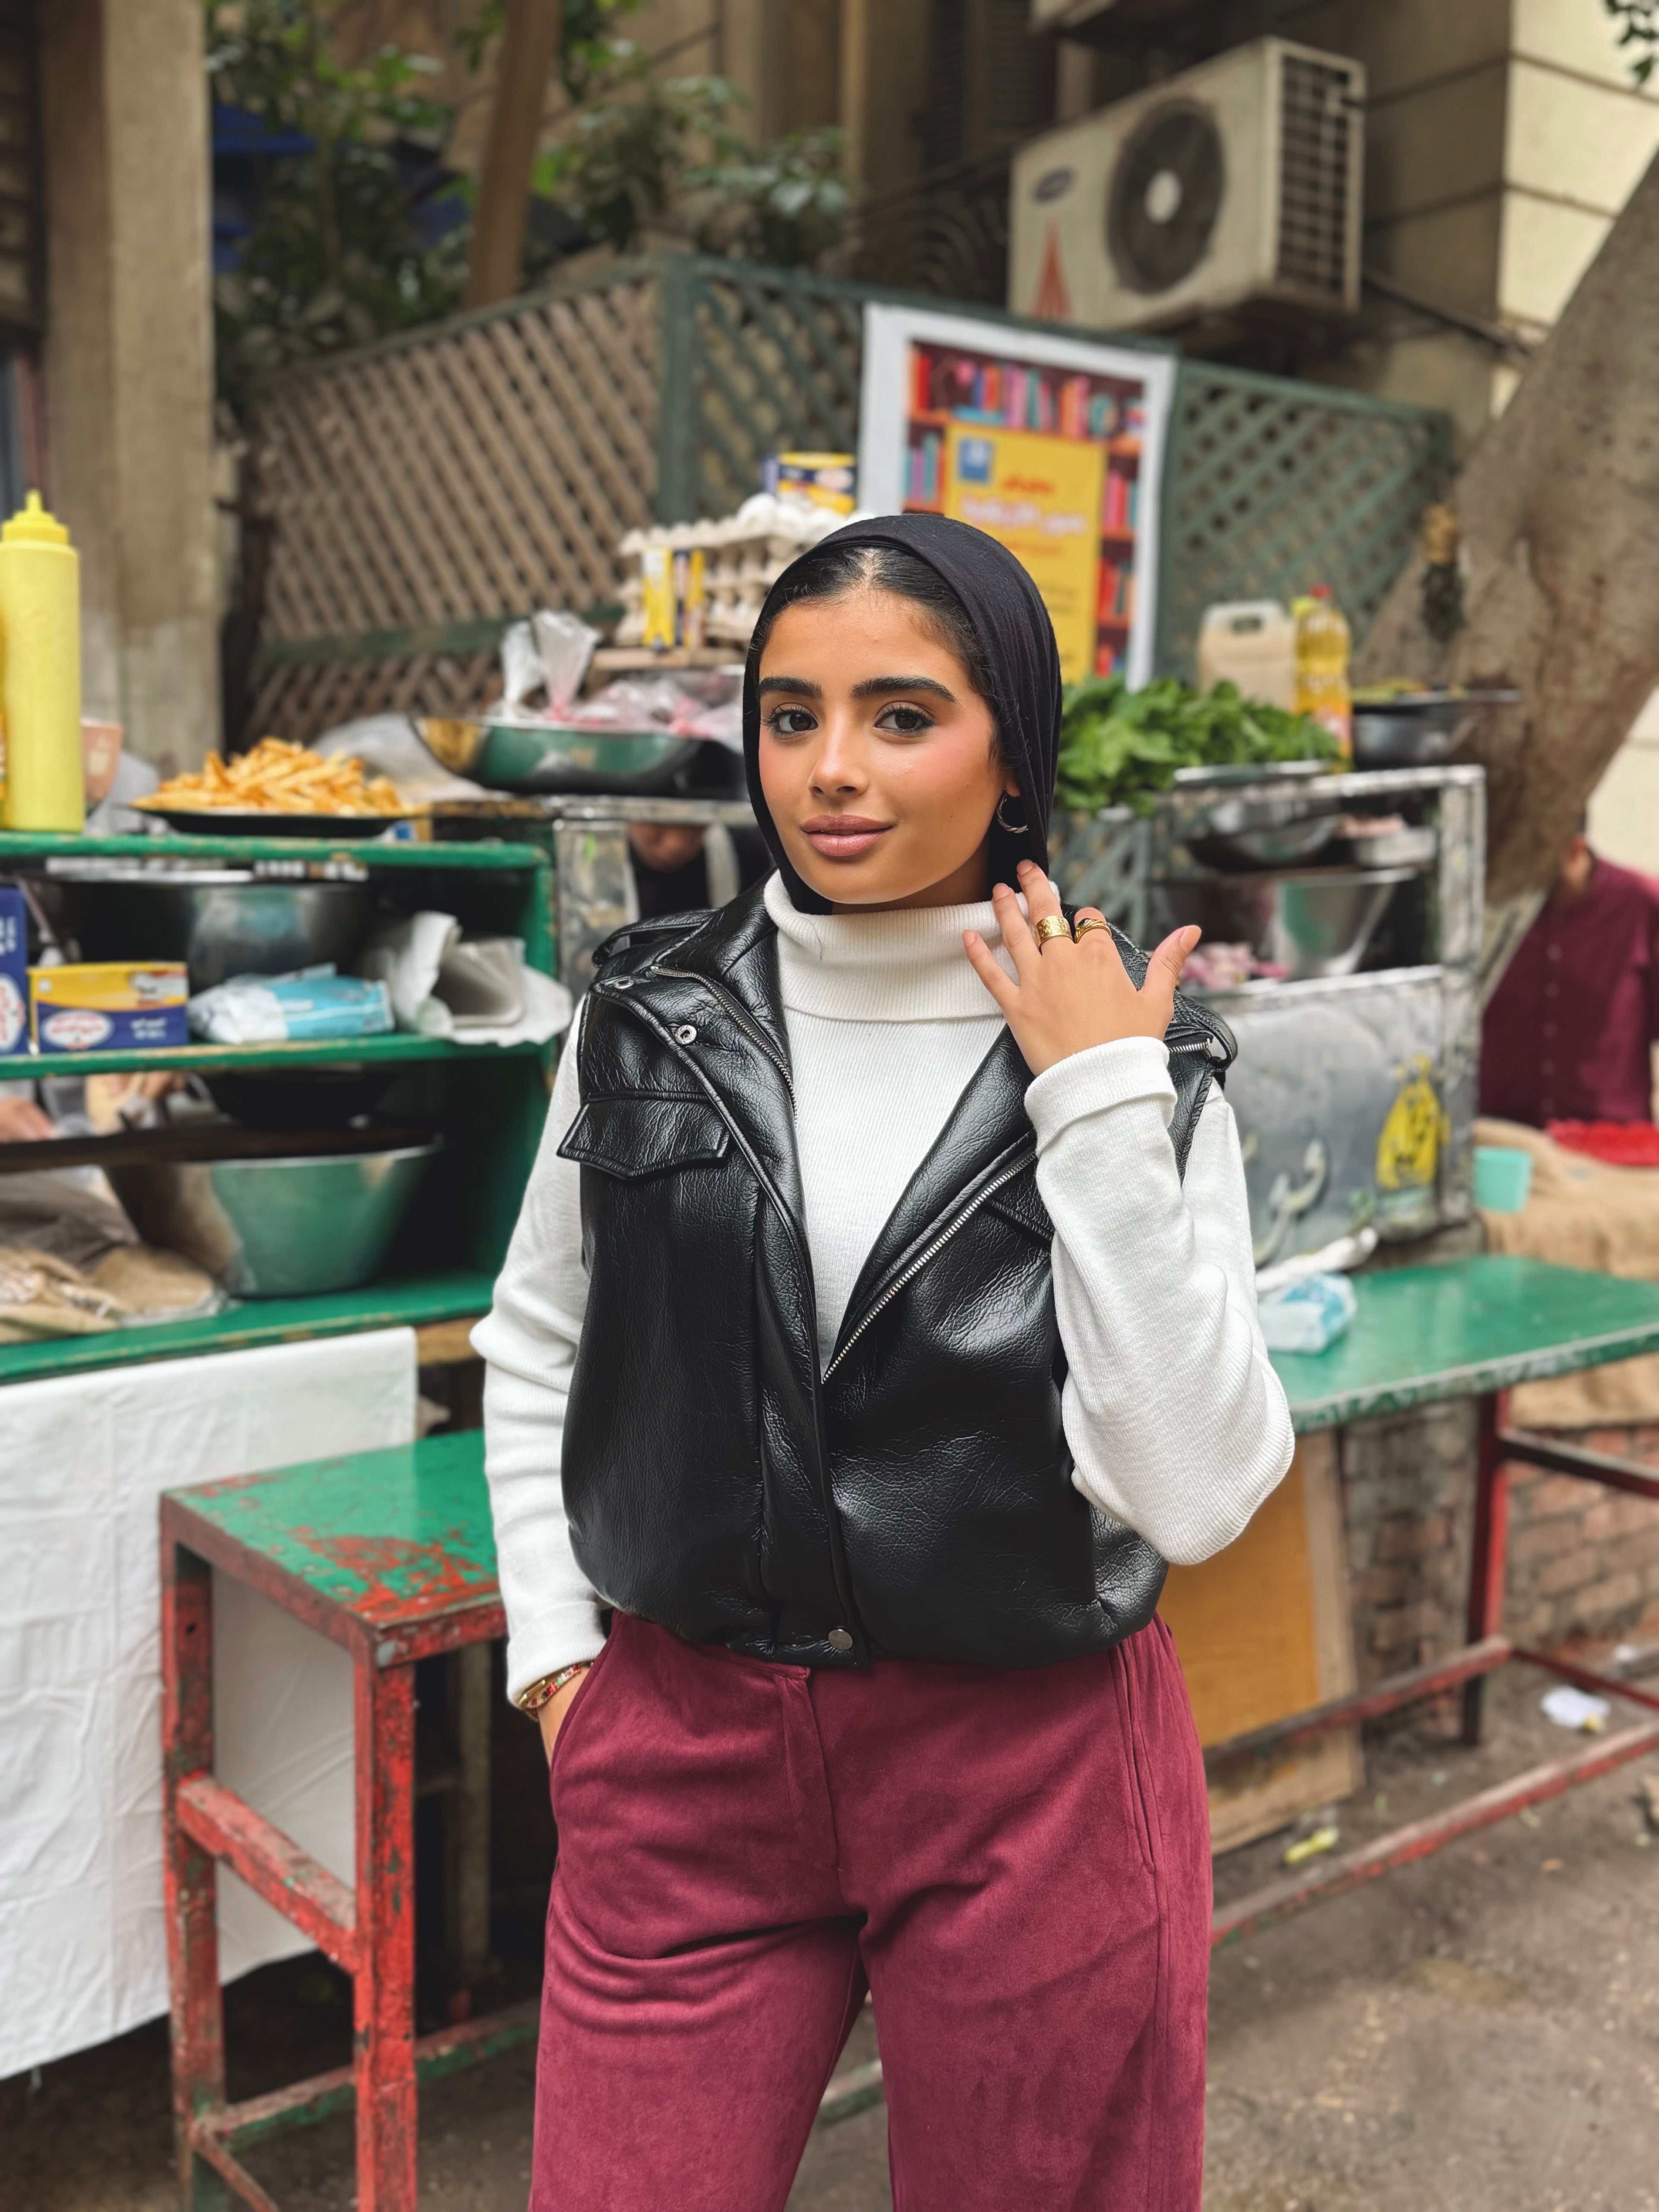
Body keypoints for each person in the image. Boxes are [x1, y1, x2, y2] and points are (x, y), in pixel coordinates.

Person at [474, 513, 1294, 2212]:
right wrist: (560, 1657)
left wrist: (1094, 1098)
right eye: (790, 715)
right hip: (684, 1745)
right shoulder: (647, 1011)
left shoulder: (1145, 1051)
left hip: (1035, 1761)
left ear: (1015, 751)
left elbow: (1198, 1487)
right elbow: (542, 1336)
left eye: (903, 716)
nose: (832, 771)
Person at [1481, 823, 1659, 1126]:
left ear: (1574, 851)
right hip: (1505, 1133)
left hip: (1610, 1135)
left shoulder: (1641, 904)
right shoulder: (1492, 904)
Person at [624, 814, 769, 920]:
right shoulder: (606, 856)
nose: (676, 845)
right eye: (658, 819)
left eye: (693, 822)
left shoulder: (745, 851)